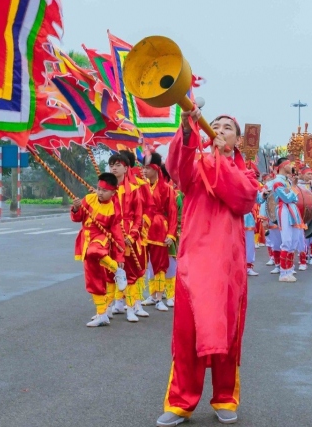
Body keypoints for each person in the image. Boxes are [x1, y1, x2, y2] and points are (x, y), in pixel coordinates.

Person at [156, 112, 257, 427]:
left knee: (228, 335)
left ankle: (225, 396)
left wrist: (218, 157)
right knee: (187, 334)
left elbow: (242, 198)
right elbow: (176, 167)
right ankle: (180, 402)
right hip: (194, 266)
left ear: (237, 141)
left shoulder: (246, 172)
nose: (219, 130)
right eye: (214, 125)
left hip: (229, 268)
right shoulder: (194, 166)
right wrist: (186, 130)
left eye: (227, 128)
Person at [71, 173, 128, 327]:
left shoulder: (114, 208)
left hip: (101, 240)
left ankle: (117, 270)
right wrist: (76, 208)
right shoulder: (89, 199)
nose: (100, 193)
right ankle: (102, 314)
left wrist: (120, 257)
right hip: (86, 239)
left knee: (93, 251)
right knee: (93, 278)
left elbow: (117, 234)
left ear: (113, 192)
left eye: (104, 190)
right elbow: (77, 218)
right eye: (98, 189)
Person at [108, 151, 150, 321]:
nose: (114, 168)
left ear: (126, 168)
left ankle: (132, 307)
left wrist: (132, 236)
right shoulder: (106, 189)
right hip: (110, 236)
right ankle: (106, 308)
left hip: (129, 235)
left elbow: (139, 216)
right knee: (109, 272)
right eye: (111, 165)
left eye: (118, 165)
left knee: (131, 271)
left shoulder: (135, 189)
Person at [142, 153, 179, 307]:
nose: (144, 171)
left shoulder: (167, 189)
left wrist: (171, 233)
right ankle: (150, 295)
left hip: (158, 230)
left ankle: (160, 296)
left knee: (161, 264)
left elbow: (172, 213)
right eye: (143, 167)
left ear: (156, 168)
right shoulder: (140, 187)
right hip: (142, 230)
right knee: (146, 265)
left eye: (147, 168)